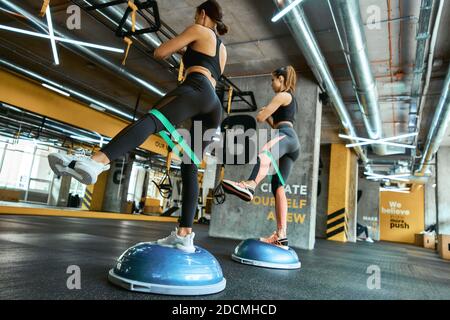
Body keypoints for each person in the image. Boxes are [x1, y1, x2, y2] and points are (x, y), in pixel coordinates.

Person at [48, 0, 228, 253]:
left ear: (202, 13)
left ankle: (96, 161)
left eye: (196, 14)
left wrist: (182, 45)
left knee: (150, 121)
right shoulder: (223, 49)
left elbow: (160, 52)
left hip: (195, 88)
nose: (195, 17)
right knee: (190, 162)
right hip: (214, 105)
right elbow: (207, 66)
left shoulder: (199, 29)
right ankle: (184, 235)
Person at [221, 66, 300, 250]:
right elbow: (275, 125)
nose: (272, 83)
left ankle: (250, 185)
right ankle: (281, 236)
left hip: (286, 136)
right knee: (277, 186)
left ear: (281, 79)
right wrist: (269, 116)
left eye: (273, 80)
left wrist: (264, 112)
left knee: (265, 153)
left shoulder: (283, 95)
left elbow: (260, 117)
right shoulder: (290, 100)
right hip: (289, 140)